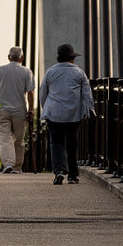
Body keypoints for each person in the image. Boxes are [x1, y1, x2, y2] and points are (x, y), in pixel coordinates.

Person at [39, 43, 94, 185]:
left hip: (54, 113)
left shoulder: (50, 72)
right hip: (73, 114)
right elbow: (87, 95)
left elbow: (43, 93)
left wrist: (46, 108)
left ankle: (58, 171)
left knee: (56, 143)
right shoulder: (79, 73)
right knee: (72, 144)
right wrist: (89, 111)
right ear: (72, 58)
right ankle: (73, 175)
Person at [0, 46, 35, 174]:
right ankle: (17, 167)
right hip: (20, 111)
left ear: (8, 57)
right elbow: (30, 92)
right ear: (22, 58)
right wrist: (30, 109)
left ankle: (8, 164)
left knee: (4, 138)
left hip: (2, 110)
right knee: (19, 140)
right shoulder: (26, 72)